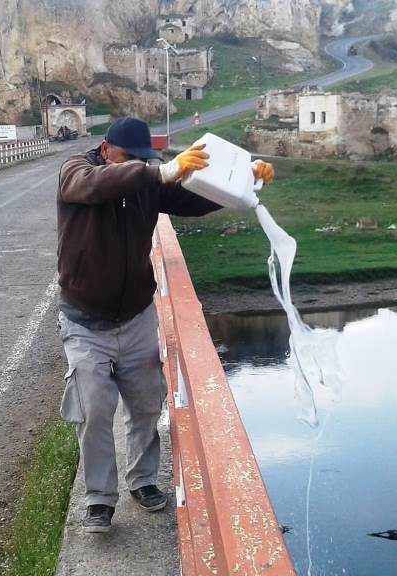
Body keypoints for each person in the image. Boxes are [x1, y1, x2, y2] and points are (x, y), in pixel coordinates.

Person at [57, 117, 275, 533]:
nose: (136, 166)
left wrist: (246, 179)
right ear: (106, 150)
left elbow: (194, 199)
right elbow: (93, 186)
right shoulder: (76, 171)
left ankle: (142, 480)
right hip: (85, 321)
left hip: (137, 315)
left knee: (146, 403)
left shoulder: (146, 184)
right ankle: (99, 499)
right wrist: (159, 171)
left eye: (143, 160)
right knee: (95, 408)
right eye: (129, 158)